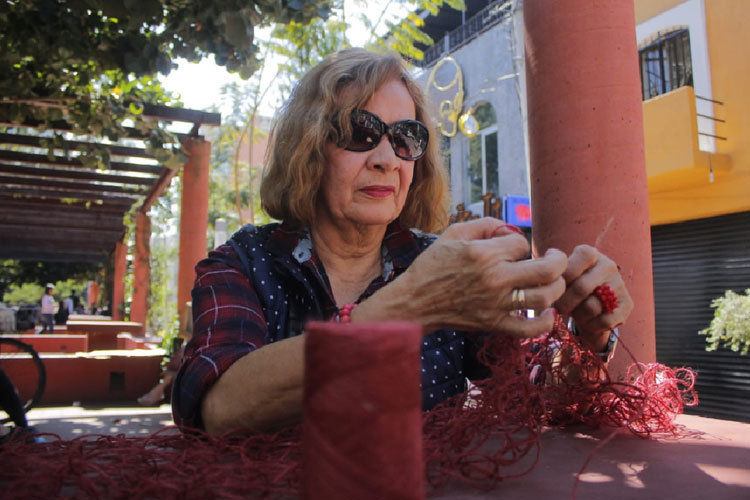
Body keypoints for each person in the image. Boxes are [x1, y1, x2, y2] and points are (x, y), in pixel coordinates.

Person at [172, 48, 633, 436]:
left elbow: (536, 390)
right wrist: (413, 306)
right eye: (360, 132)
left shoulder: (446, 263)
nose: (387, 159)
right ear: (308, 147)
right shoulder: (242, 263)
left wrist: (588, 338)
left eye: (405, 138)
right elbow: (218, 408)